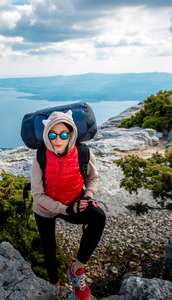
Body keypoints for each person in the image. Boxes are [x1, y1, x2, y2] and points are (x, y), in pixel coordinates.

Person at [31, 110, 106, 300]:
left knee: (99, 217)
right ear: (46, 135)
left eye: (64, 134)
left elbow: (93, 177)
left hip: (73, 202)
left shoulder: (83, 153)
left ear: (71, 134)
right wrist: (65, 209)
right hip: (46, 208)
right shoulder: (40, 156)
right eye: (52, 134)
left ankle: (76, 270)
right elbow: (38, 195)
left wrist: (87, 197)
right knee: (49, 247)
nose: (58, 139)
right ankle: (55, 285)